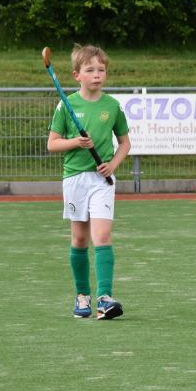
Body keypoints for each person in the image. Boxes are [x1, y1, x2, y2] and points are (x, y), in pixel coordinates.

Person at [47, 44, 131, 320]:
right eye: (90, 70)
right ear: (77, 75)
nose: (97, 75)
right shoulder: (66, 104)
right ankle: (82, 295)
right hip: (75, 179)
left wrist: (113, 165)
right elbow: (52, 144)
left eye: (101, 70)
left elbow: (125, 143)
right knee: (80, 238)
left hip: (101, 180)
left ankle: (105, 298)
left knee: (102, 236)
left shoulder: (112, 106)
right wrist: (76, 142)